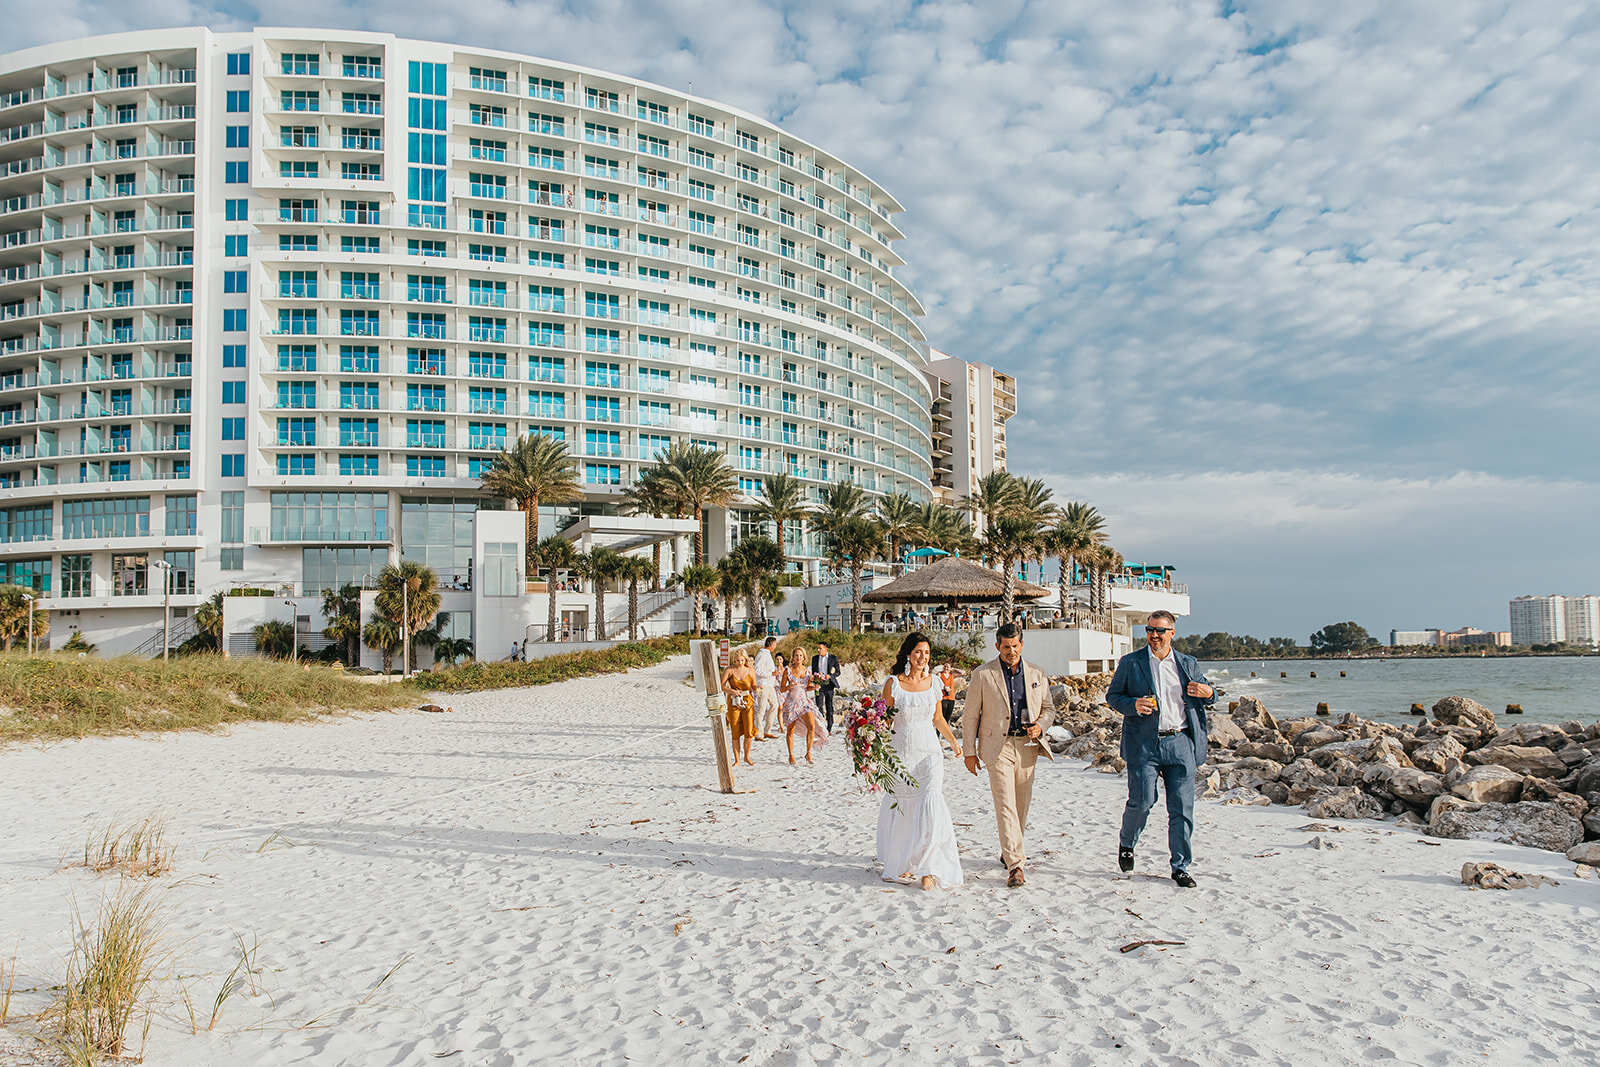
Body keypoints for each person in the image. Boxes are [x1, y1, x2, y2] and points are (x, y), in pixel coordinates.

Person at [1107, 610, 1214, 888]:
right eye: (1150, 630)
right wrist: (1133, 706)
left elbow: (1207, 693)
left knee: (1181, 808)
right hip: (1144, 744)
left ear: (1172, 633)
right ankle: (1127, 843)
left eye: (1160, 631)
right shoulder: (1131, 663)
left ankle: (1180, 867)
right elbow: (1113, 696)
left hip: (1180, 742)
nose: (1154, 635)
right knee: (1142, 801)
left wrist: (1209, 693)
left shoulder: (1188, 663)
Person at [962, 622, 1056, 888]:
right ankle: (1016, 865)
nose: (1011, 651)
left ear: (1021, 645)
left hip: (1028, 745)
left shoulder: (1037, 672)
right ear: (997, 646)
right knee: (1005, 805)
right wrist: (969, 752)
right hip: (997, 748)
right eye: (1006, 647)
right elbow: (971, 716)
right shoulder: (982, 674)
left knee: (1021, 805)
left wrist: (1041, 726)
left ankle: (1009, 850)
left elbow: (1048, 708)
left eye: (1015, 646)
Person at [876, 632, 964, 891]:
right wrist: (868, 740)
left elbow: (938, 719)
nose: (922, 657)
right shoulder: (893, 683)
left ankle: (929, 869)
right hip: (900, 754)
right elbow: (882, 719)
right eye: (918, 652)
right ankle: (904, 860)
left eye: (926, 653)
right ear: (908, 654)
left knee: (930, 805)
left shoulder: (935, 682)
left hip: (929, 753)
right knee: (903, 807)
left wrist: (953, 741)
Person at [779, 643, 825, 764]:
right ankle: (791, 755)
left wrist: (814, 687)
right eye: (796, 655)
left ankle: (808, 753)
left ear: (804, 657)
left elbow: (807, 687)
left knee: (811, 726)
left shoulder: (808, 670)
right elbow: (782, 689)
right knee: (790, 730)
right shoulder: (787, 670)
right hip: (791, 702)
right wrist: (790, 685)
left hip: (804, 702)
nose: (798, 658)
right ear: (793, 657)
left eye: (800, 655)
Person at [719, 649, 759, 767]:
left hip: (748, 701)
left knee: (749, 730)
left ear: (745, 660)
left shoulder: (751, 670)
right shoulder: (729, 670)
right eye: (737, 660)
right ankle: (737, 760)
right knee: (735, 731)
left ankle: (746, 757)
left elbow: (753, 686)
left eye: (742, 660)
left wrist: (758, 688)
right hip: (734, 702)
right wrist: (732, 691)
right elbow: (721, 686)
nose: (739, 663)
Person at [752, 636, 781, 740]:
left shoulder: (767, 654)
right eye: (775, 644)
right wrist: (771, 673)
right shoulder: (762, 654)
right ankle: (758, 733)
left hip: (770, 685)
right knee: (761, 708)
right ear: (772, 645)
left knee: (775, 705)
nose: (775, 646)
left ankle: (767, 730)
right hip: (762, 685)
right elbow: (757, 670)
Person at [811, 642, 841, 733]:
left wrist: (830, 676)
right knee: (818, 705)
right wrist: (814, 678)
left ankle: (829, 727)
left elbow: (838, 672)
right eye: (818, 648)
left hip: (829, 684)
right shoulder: (814, 658)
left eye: (820, 648)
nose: (818, 650)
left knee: (829, 705)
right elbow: (813, 671)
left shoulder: (833, 658)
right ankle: (820, 726)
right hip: (818, 684)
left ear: (825, 648)